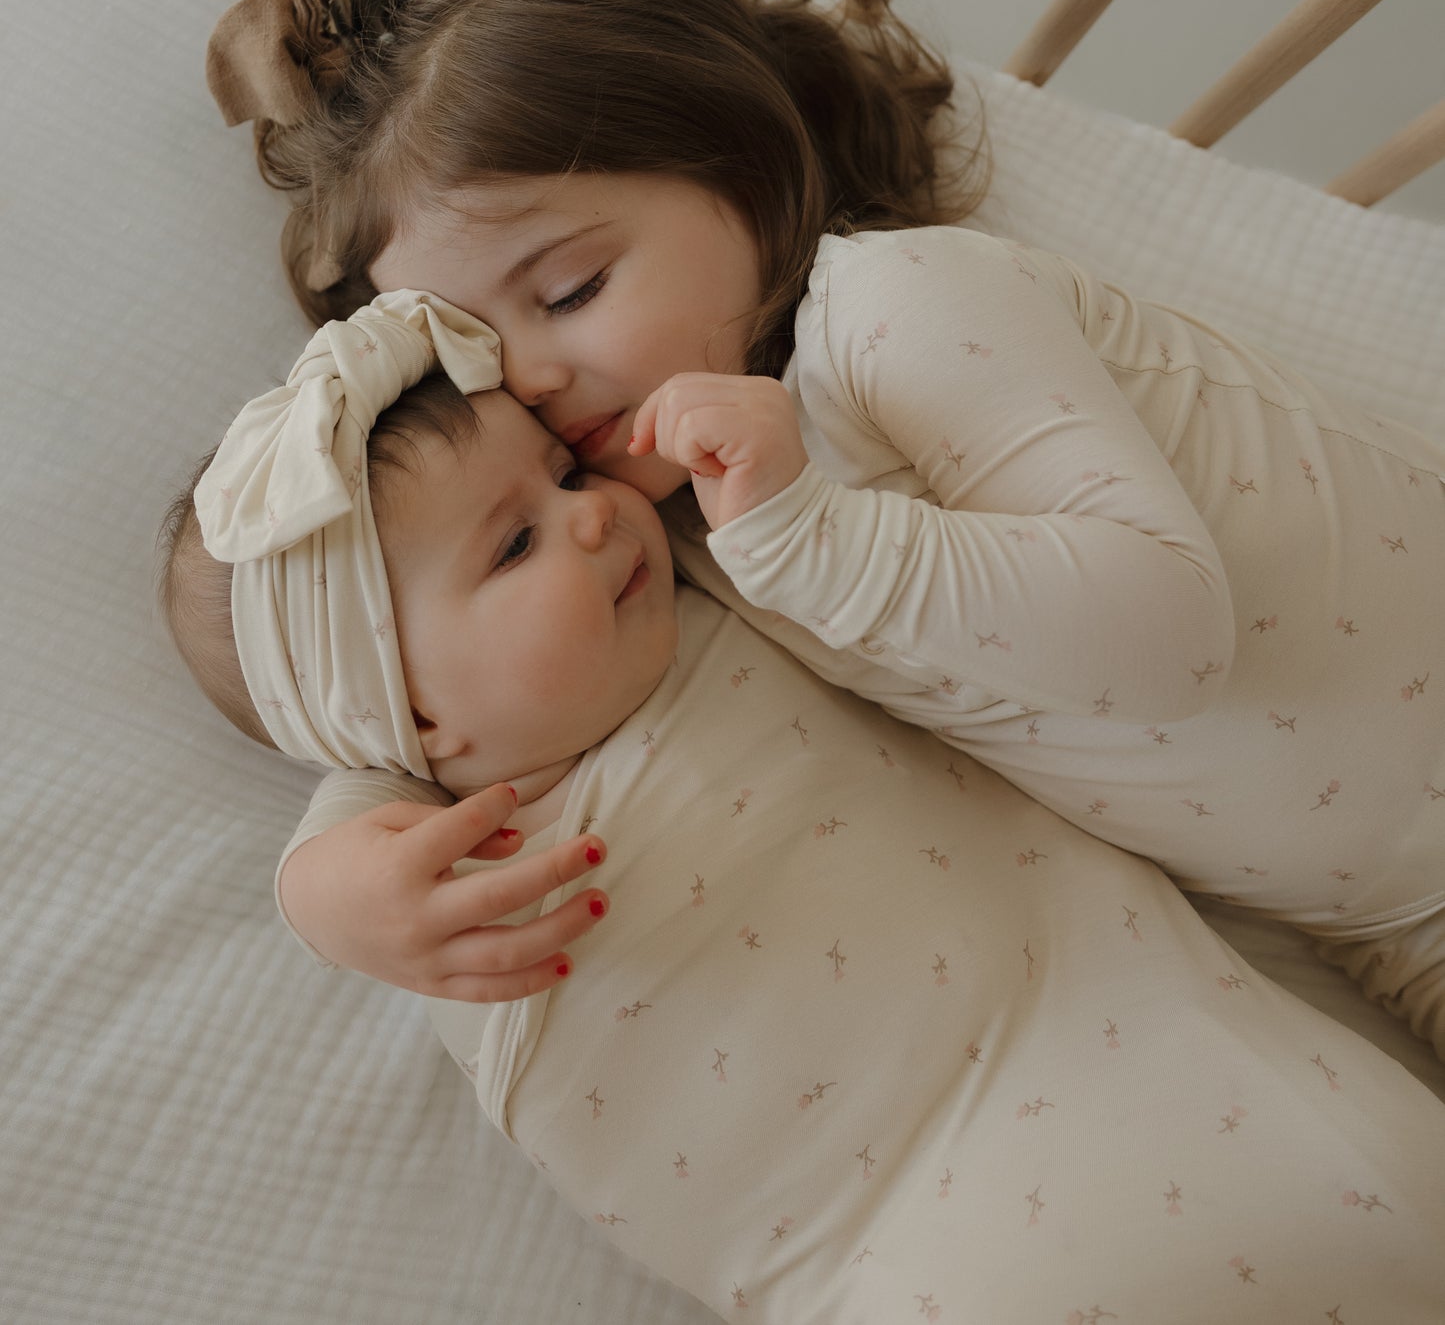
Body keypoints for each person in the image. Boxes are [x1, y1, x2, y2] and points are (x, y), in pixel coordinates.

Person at [205, 0, 1445, 1052]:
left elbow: (1171, 638)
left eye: (571, 290)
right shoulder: (661, 521)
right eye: (472, 349)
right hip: (1384, 924)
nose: (527, 377)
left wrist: (814, 538)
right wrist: (328, 881)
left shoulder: (899, 310)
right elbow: (430, 672)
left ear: (736, 167)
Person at [159, 292, 1445, 1323]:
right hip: (905, 1244)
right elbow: (325, 874)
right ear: (407, 711)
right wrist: (341, 909)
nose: (593, 518)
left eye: (560, 476)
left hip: (1140, 1038)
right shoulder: (410, 816)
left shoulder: (716, 584)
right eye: (513, 544)